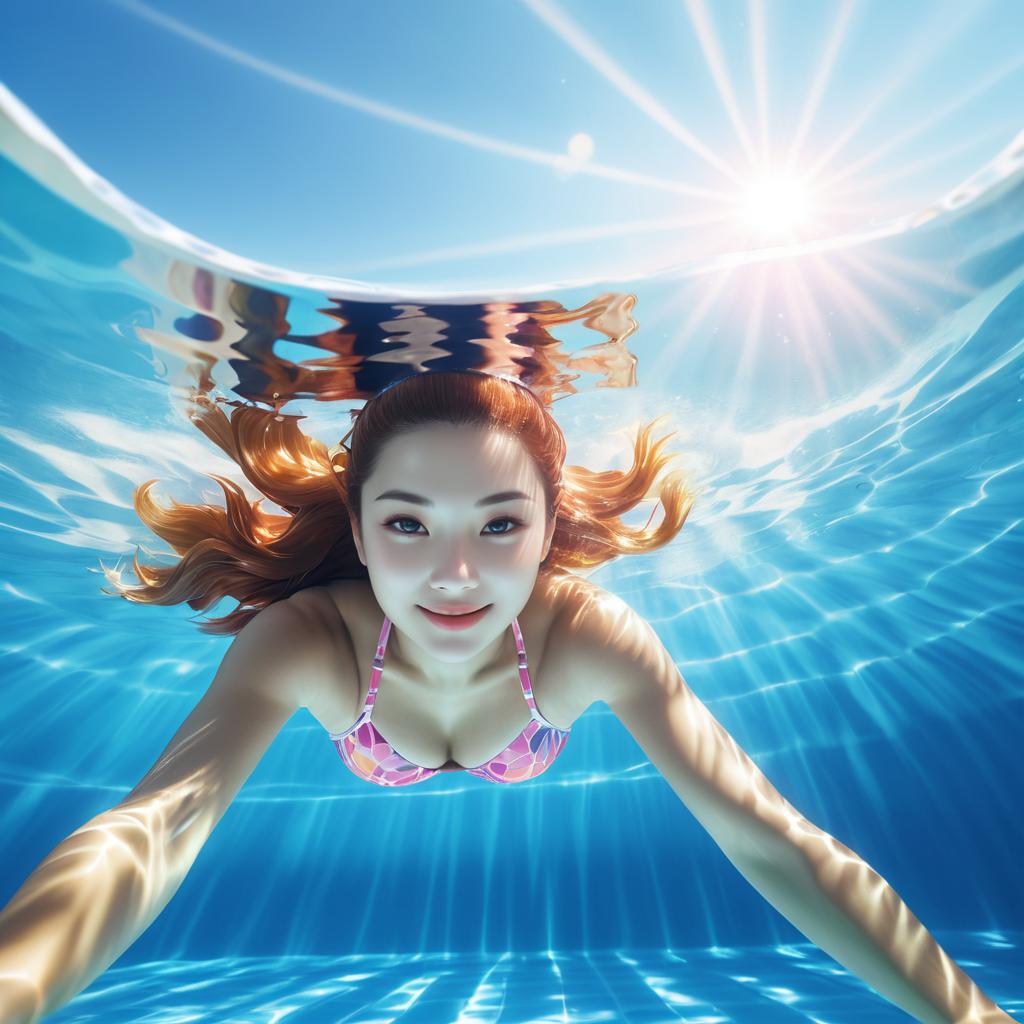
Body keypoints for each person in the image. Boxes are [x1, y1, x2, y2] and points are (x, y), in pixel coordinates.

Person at [0, 370, 1014, 1023]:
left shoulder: (582, 637)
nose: (453, 577)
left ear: (545, 531)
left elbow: (764, 834)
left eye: (496, 526)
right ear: (355, 534)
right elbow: (159, 822)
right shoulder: (307, 641)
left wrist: (971, 1018)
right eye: (407, 526)